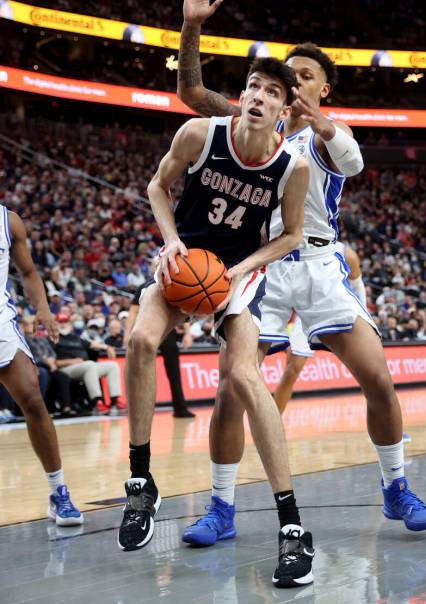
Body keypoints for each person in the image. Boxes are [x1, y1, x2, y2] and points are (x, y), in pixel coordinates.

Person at [177, 0, 426, 551]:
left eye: (304, 78)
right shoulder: (255, 121)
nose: (289, 85)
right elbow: (191, 95)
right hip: (263, 268)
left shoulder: (325, 134)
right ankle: (221, 506)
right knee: (227, 392)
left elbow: (352, 163)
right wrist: (191, 28)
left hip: (320, 268)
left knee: (379, 380)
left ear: (324, 91)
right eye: (284, 76)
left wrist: (323, 124)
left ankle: (396, 487)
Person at [119, 53, 314, 589]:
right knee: (139, 341)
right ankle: (141, 482)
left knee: (248, 378)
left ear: (283, 109)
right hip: (185, 264)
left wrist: (242, 269)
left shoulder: (290, 166)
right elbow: (158, 187)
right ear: (242, 94)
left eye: (272, 92)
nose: (259, 96)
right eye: (253, 87)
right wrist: (172, 240)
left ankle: (292, 528)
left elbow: (291, 234)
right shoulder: (200, 134)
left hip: (236, 275)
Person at [0, 205, 83, 525]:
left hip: (2, 324)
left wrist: (44, 309)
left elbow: (29, 272)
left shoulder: (9, 222)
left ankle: (58, 491)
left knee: (32, 397)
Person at [272, 242, 367, 413]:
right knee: (292, 369)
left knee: (367, 369)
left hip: (337, 309)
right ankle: (273, 425)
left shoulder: (346, 254)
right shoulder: (292, 246)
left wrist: (364, 318)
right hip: (307, 310)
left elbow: (357, 287)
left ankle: (389, 428)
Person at [124, 280, 195, 418]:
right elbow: (133, 312)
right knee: (140, 369)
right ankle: (137, 409)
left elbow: (183, 309)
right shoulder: (143, 286)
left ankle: (180, 408)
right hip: (146, 330)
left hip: (168, 330)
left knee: (174, 371)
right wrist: (127, 333)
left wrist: (187, 333)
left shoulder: (172, 282)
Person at [54, 314, 127, 415]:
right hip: (66, 368)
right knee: (90, 365)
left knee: (112, 366)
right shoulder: (53, 338)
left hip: (84, 366)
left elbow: (92, 344)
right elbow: (54, 362)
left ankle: (115, 400)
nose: (63, 325)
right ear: (55, 324)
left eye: (65, 322)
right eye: (60, 322)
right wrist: (73, 361)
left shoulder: (75, 337)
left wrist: (107, 347)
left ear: (70, 324)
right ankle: (97, 401)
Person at [20, 315, 76, 418]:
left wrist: (51, 362)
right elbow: (29, 357)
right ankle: (40, 408)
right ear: (23, 326)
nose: (32, 326)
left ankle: (66, 407)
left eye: (34, 323)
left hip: (50, 366)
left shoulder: (42, 339)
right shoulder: (22, 340)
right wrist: (46, 361)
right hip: (36, 366)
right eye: (29, 323)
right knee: (44, 374)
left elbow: (52, 354)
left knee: (63, 377)